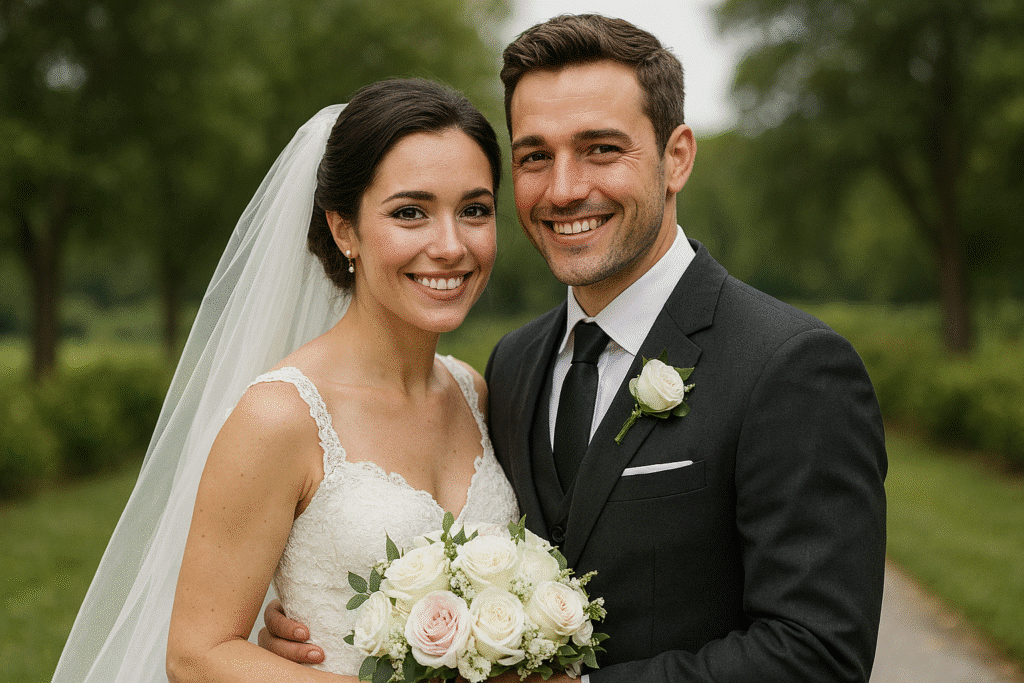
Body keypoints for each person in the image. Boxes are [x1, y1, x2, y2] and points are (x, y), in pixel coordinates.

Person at [263, 13, 888, 683]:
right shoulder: (511, 366)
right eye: (536, 156)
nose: (563, 190)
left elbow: (818, 653)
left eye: (600, 149)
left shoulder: (790, 367)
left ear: (677, 156)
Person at [52, 78, 518, 683]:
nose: (451, 245)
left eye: (474, 211)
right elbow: (196, 656)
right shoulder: (281, 417)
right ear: (343, 228)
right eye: (410, 212)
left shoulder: (471, 392)